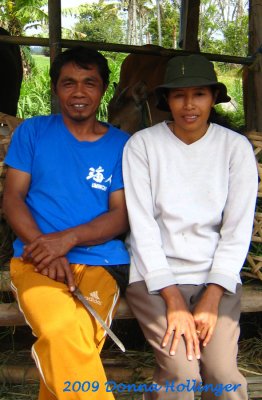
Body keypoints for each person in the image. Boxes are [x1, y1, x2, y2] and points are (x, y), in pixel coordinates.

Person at [123, 54, 258, 400]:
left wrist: (213, 296)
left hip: (215, 277)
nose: (189, 105)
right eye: (179, 95)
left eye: (199, 94)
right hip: (155, 278)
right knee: (182, 373)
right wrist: (174, 300)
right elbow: (142, 227)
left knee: (223, 376)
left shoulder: (234, 148)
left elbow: (237, 229)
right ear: (166, 99)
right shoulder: (143, 146)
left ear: (213, 98)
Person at [3, 46, 130, 400]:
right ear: (55, 88)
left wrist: (65, 241)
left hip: (103, 263)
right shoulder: (33, 133)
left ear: (104, 88)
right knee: (62, 331)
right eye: (68, 83)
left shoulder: (123, 145)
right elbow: (12, 198)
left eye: (90, 83)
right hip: (35, 260)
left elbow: (120, 214)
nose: (78, 92)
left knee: (69, 339)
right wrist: (47, 249)